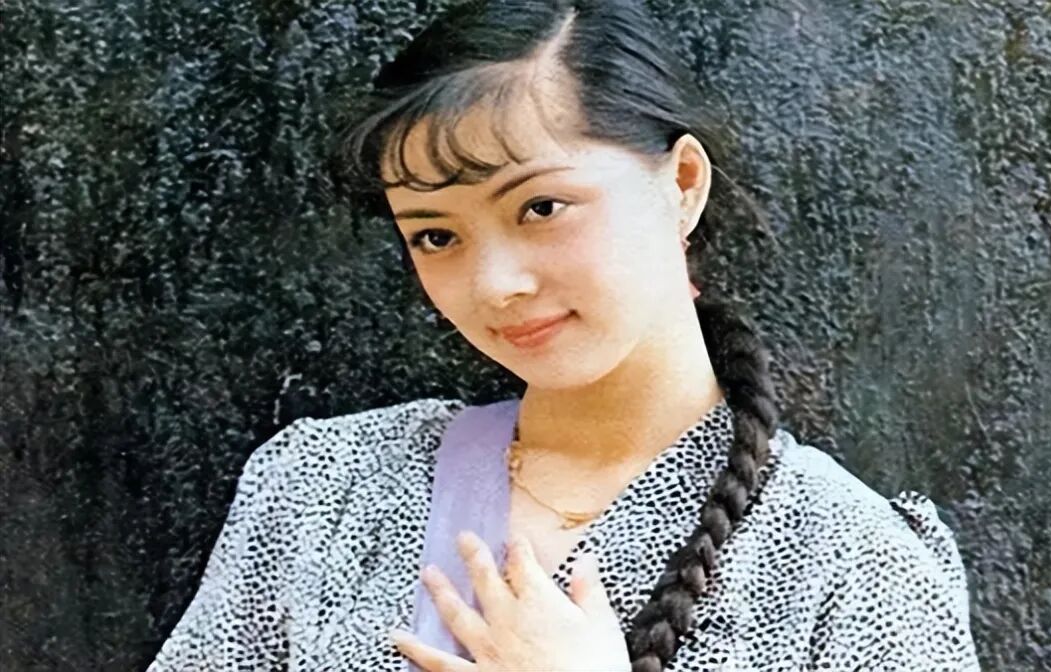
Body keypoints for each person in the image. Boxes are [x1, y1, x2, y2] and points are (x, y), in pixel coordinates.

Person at [147, 1, 980, 670]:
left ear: (683, 183)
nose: (494, 284)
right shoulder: (324, 490)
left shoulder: (846, 560)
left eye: (541, 207)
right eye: (435, 235)